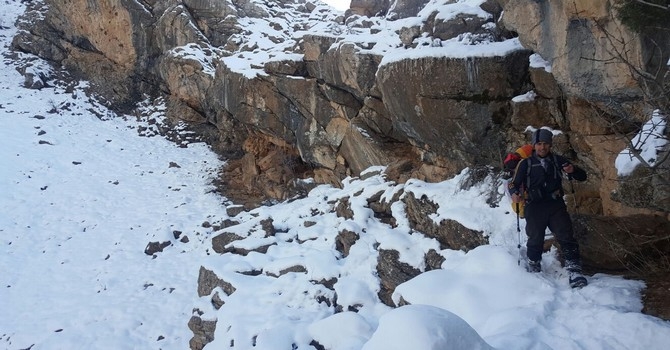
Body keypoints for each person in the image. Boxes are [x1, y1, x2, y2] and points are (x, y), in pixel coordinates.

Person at [508, 128, 588, 288]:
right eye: (538, 144)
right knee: (535, 238)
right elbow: (513, 183)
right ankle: (534, 262)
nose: (542, 147)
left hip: (555, 204)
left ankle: (574, 269)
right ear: (534, 145)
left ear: (550, 145)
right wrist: (515, 192)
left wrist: (573, 170)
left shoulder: (558, 160)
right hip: (534, 205)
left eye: (545, 144)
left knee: (566, 234)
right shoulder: (525, 163)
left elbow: (582, 176)